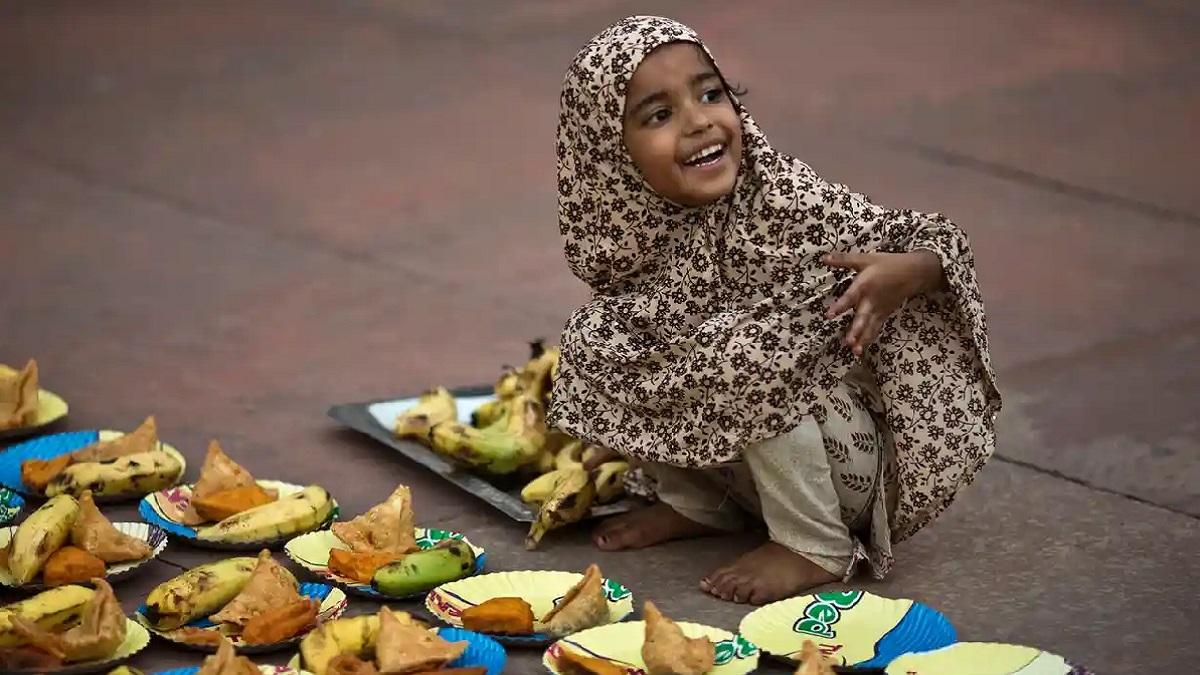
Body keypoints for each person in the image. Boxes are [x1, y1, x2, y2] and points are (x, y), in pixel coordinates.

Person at [547, 16, 1001, 605]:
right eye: (659, 115)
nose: (699, 121)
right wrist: (619, 413)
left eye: (711, 93)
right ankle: (701, 506)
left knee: (739, 353)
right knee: (600, 339)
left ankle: (815, 545)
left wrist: (908, 271)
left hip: (847, 464)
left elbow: (931, 235)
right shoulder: (638, 231)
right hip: (749, 467)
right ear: (610, 155)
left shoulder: (779, 194)